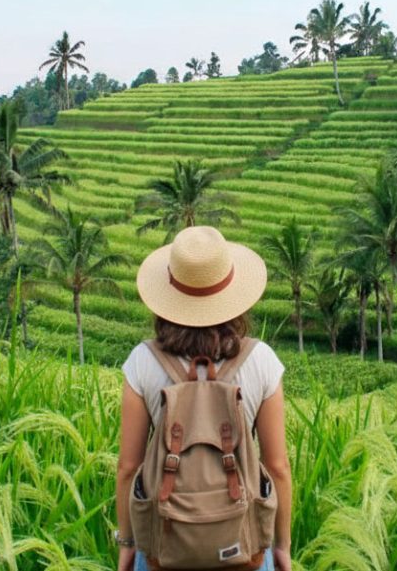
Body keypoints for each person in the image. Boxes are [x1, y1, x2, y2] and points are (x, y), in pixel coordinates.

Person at [114, 226, 293, 571]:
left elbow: (127, 468)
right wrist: (281, 547)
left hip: (162, 548)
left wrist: (127, 543)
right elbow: (278, 467)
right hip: (247, 548)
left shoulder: (142, 361)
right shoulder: (261, 361)